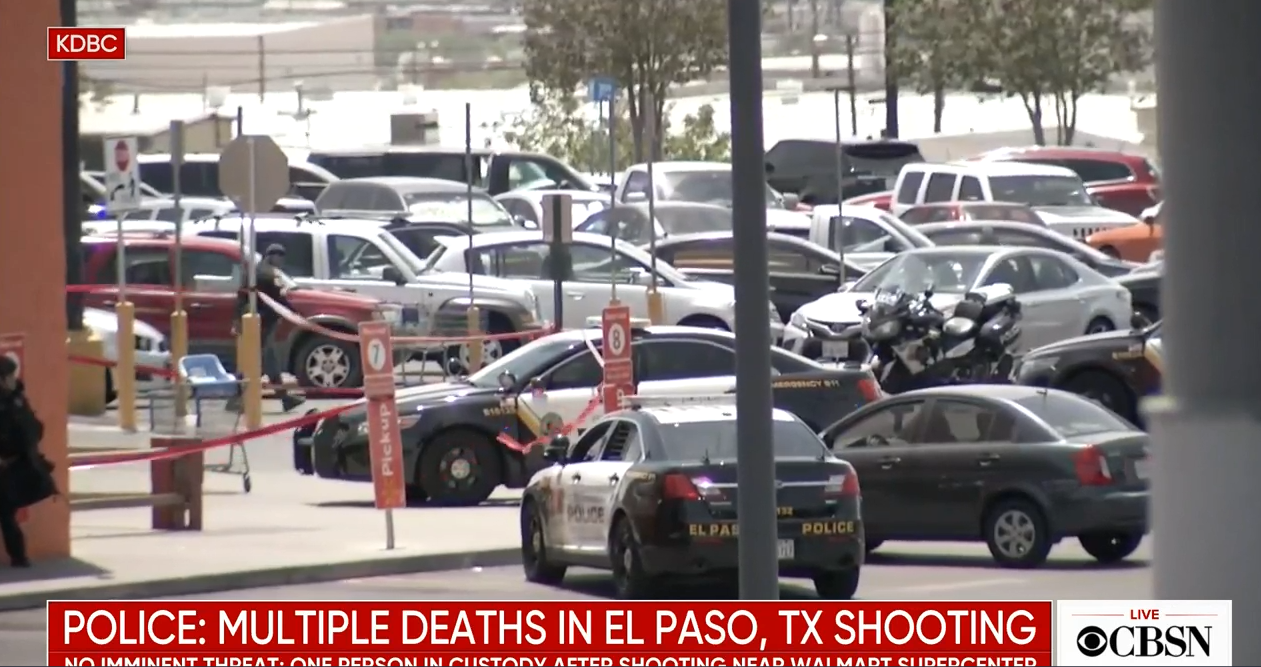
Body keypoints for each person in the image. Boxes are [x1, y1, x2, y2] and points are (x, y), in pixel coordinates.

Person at [0, 356, 57, 567]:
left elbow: (33, 429)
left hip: (15, 465)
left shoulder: (17, 400)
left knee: (7, 512)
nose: (13, 380)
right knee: (6, 513)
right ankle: (18, 557)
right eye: (8, 376)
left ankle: (19, 557)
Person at [236, 244, 306, 413]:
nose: (282, 260)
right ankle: (238, 398)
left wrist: (236, 320)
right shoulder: (267, 274)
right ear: (272, 256)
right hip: (263, 323)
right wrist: (295, 313)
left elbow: (241, 296)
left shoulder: (256, 271)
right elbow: (278, 299)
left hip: (257, 322)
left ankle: (284, 398)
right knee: (260, 360)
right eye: (280, 256)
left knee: (264, 360)